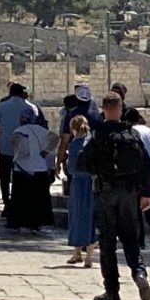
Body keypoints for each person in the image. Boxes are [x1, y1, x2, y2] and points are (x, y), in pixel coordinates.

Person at [79, 91, 150, 300]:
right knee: (130, 238)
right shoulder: (132, 134)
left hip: (105, 192)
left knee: (107, 242)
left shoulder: (96, 134)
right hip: (130, 193)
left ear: (104, 109)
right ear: (120, 109)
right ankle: (139, 273)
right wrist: (147, 193)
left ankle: (112, 290)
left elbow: (82, 164)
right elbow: (146, 166)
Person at [9, 108, 59, 234]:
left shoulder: (18, 131)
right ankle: (40, 224)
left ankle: (23, 225)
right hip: (40, 168)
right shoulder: (41, 130)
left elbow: (22, 149)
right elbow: (54, 138)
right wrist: (46, 151)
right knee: (39, 199)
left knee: (23, 199)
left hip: (23, 170)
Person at [0, 83, 35, 217]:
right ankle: (18, 204)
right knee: (19, 177)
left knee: (4, 178)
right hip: (23, 148)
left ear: (10, 92)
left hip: (5, 147)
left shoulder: (2, 106)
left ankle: (7, 204)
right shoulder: (29, 107)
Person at [126, 109, 150, 248]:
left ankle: (139, 240)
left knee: (136, 207)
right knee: (149, 201)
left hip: (137, 173)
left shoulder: (130, 132)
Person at [65, 115, 96, 268]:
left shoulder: (74, 144)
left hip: (78, 184)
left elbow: (71, 168)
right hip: (92, 183)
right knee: (91, 217)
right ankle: (89, 256)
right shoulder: (93, 142)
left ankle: (77, 252)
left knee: (77, 216)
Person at [56, 86, 101, 179]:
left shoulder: (72, 115)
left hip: (76, 165)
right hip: (94, 164)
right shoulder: (97, 114)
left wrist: (58, 163)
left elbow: (64, 142)